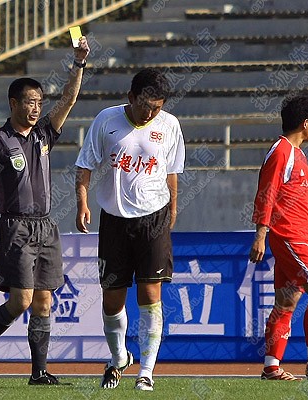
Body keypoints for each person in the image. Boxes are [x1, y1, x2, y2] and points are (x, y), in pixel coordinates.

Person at [0, 36, 90, 386]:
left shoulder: (44, 135)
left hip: (46, 227)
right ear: (13, 103)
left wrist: (78, 63)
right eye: (30, 102)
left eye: (39, 102)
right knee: (20, 300)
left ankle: (38, 372)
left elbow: (69, 98)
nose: (36, 108)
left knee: (44, 301)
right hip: (15, 227)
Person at [75, 68, 185, 391]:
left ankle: (146, 372)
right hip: (113, 221)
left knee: (151, 296)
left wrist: (173, 209)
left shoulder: (170, 126)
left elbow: (172, 173)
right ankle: (119, 356)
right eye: (145, 106)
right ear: (130, 98)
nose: (150, 113)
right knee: (112, 300)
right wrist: (83, 203)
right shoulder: (106, 121)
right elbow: (84, 167)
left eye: (157, 107)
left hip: (153, 220)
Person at [249, 95, 308, 380]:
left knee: (286, 302)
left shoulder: (296, 153)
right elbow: (267, 192)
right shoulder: (281, 152)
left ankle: (271, 367)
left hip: (297, 236)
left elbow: (303, 189)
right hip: (290, 237)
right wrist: (261, 234)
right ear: (306, 123)